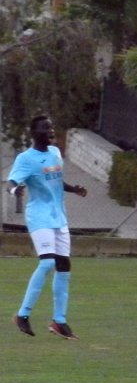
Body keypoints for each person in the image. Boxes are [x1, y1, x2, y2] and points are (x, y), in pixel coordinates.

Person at [7, 115, 88, 339]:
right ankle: (23, 314)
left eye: (52, 127)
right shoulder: (26, 158)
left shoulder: (55, 153)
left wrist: (75, 189)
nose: (51, 131)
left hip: (58, 217)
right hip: (39, 216)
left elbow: (56, 181)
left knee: (64, 266)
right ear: (34, 133)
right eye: (46, 128)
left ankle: (59, 321)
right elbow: (11, 182)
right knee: (48, 262)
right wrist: (16, 191)